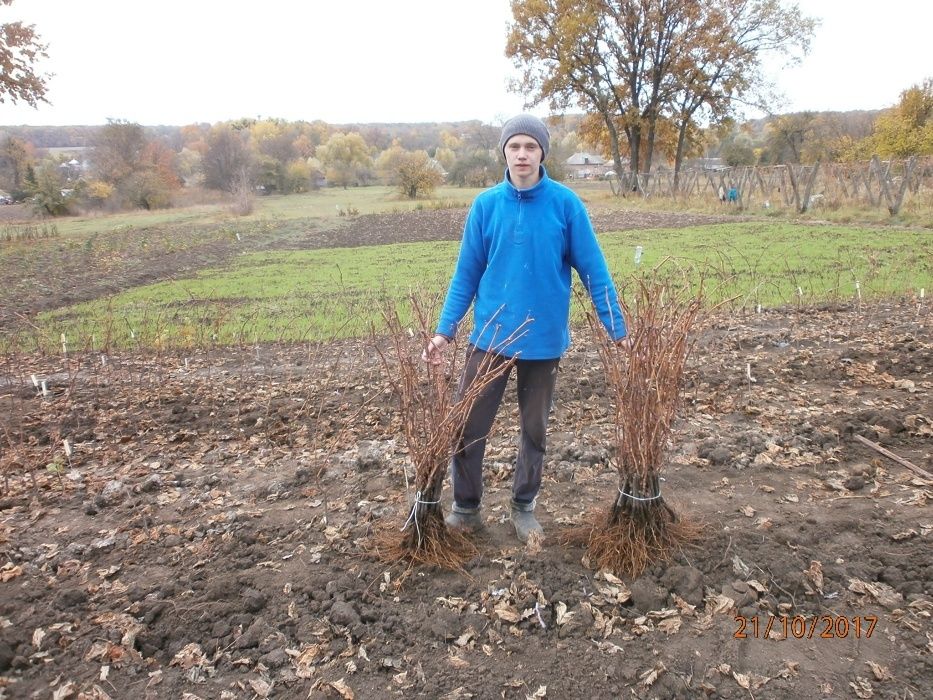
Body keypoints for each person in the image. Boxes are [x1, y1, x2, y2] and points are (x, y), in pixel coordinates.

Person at [422, 114, 629, 543]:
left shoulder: (566, 205)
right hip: (490, 337)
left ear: (542, 153)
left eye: (530, 147)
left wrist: (619, 330)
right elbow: (466, 274)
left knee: (534, 430)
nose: (522, 154)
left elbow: (594, 271)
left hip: (543, 340)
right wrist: (445, 330)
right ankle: (466, 507)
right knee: (467, 425)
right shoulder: (485, 206)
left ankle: (523, 506)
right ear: (504, 151)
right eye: (514, 146)